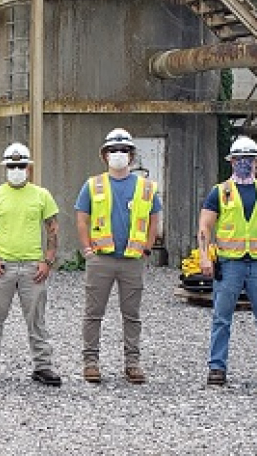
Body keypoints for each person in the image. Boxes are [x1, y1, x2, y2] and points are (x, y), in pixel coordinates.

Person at [198, 136, 257, 387]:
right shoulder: (219, 193)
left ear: (256, 162)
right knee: (221, 317)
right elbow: (205, 227)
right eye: (240, 159)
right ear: (232, 162)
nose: (244, 164)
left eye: (248, 160)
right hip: (229, 264)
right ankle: (217, 368)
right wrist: (205, 256)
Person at [74, 128, 162, 385]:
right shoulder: (93, 184)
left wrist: (147, 247)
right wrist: (87, 249)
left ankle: (132, 363)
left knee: (131, 314)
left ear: (132, 156)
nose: (118, 154)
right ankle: (91, 363)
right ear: (104, 156)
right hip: (101, 258)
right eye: (113, 150)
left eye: (123, 150)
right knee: (93, 313)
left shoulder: (146, 188)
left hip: (132, 259)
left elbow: (154, 219)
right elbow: (82, 217)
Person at [0, 143, 62, 387]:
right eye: (12, 165)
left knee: (36, 318)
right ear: (5, 168)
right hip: (2, 267)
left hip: (33, 268)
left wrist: (48, 261)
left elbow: (53, 230)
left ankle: (43, 367)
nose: (17, 169)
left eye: (21, 165)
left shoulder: (42, 195)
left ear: (29, 168)